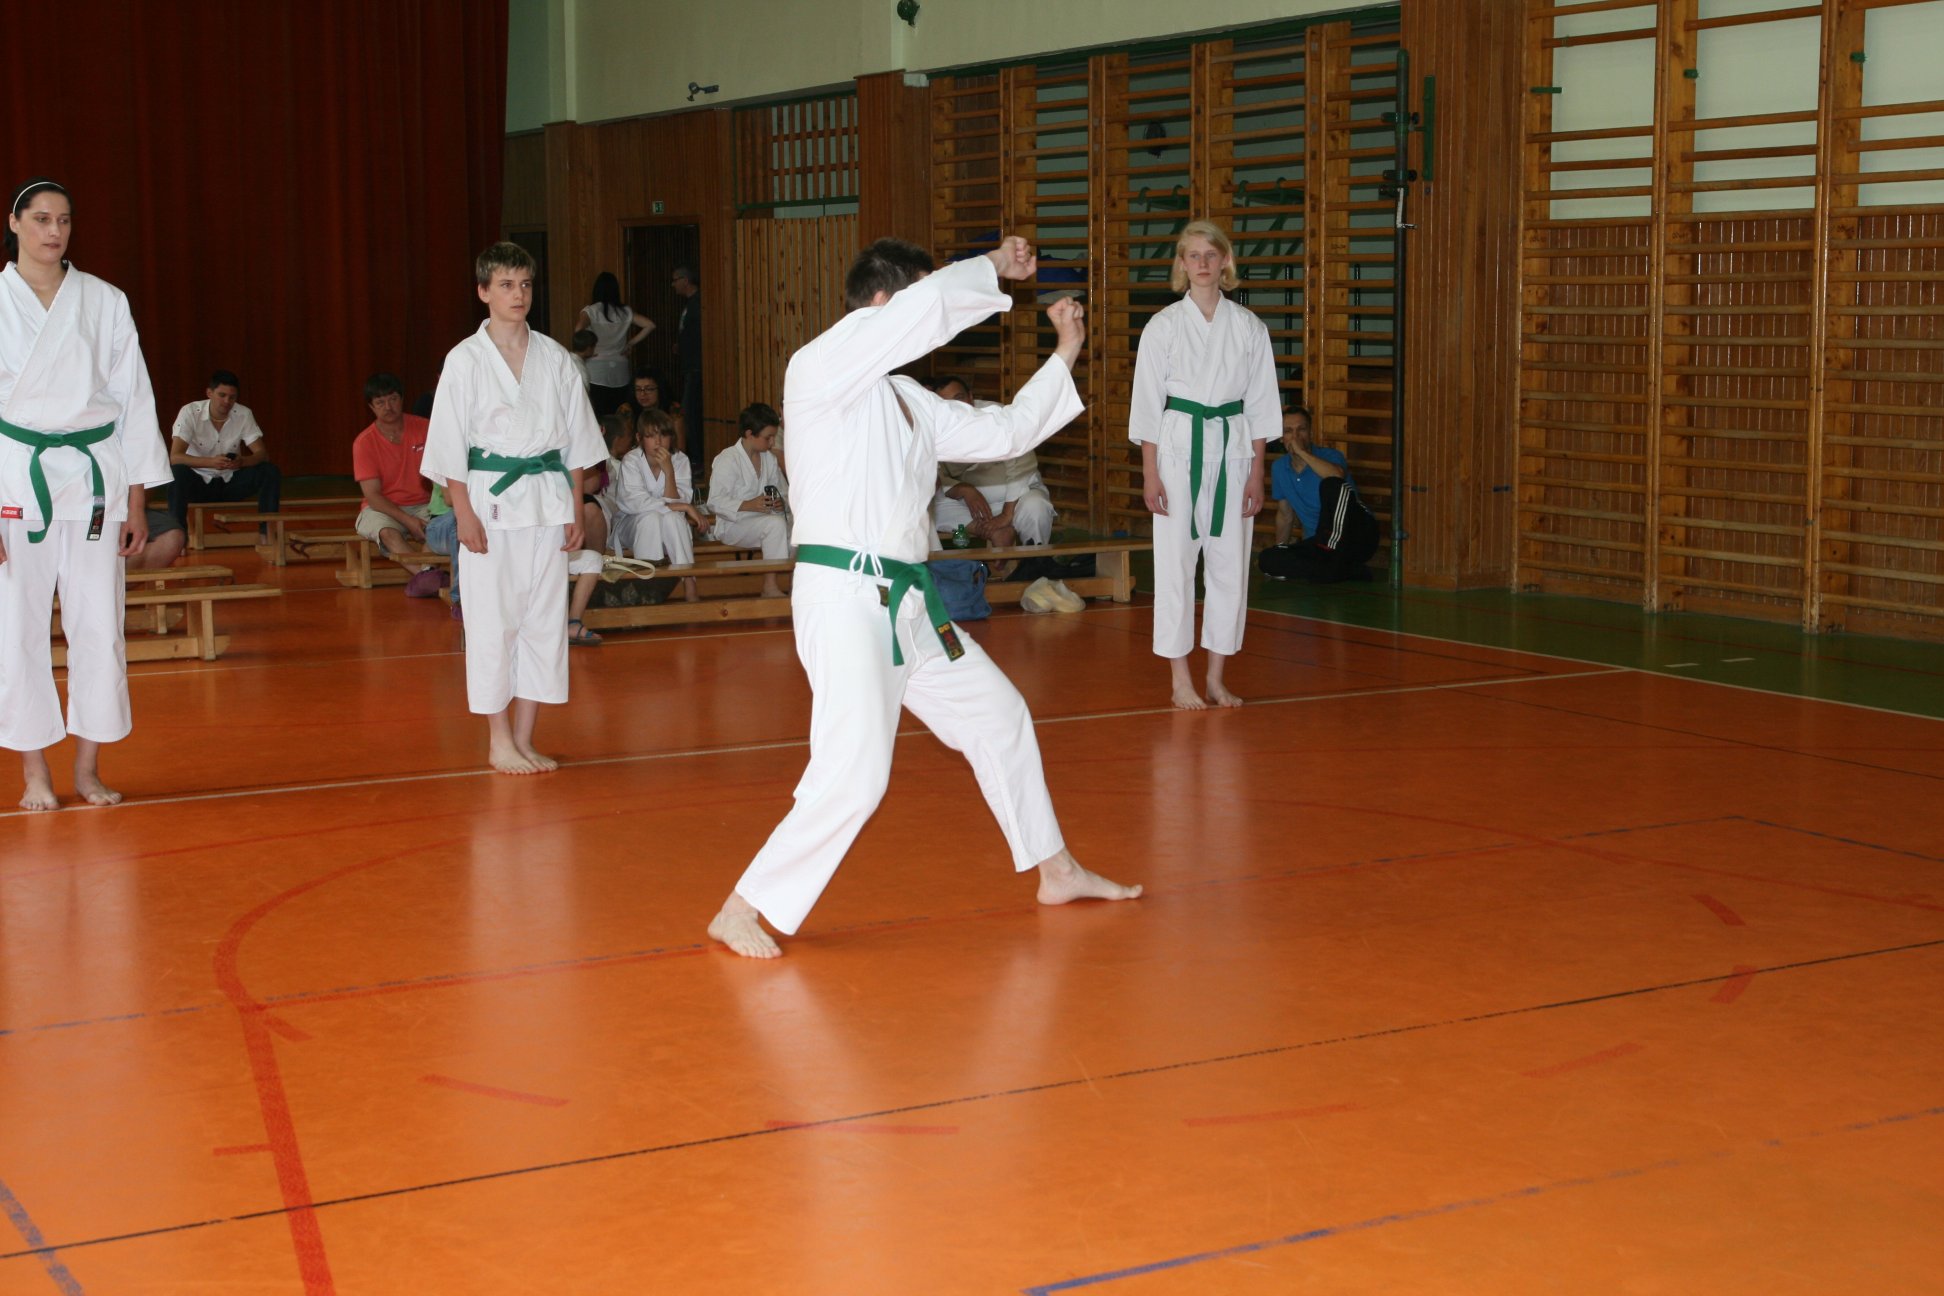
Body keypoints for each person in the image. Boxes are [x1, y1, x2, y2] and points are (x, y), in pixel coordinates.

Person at [705, 235, 1140, 960]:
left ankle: (1057, 870)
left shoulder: (907, 400)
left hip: (907, 600)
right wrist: (993, 267)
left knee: (999, 715)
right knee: (856, 772)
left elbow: (1005, 430)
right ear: (883, 305)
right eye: (915, 299)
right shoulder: (819, 367)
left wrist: (1065, 351)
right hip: (847, 594)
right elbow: (929, 309)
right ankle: (742, 906)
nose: (925, 320)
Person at [0, 178, 171, 810]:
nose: (54, 231)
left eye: (64, 220)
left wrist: (137, 501)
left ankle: (88, 767)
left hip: (97, 477)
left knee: (99, 624)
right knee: (17, 627)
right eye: (41, 219)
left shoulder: (104, 300)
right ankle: (34, 773)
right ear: (15, 223)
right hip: (16, 475)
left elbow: (134, 400)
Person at [424, 241, 604, 775]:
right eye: (505, 285)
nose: (518, 294)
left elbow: (576, 441)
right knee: (492, 621)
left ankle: (525, 739)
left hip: (548, 499)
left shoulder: (555, 357)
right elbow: (449, 445)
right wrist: (462, 512)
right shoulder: (464, 359)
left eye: (524, 284)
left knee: (543, 621)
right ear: (483, 292)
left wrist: (574, 508)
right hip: (490, 500)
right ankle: (498, 740)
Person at [1130, 219, 1280, 711]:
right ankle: (1180, 680)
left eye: (1210, 255)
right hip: (1177, 450)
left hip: (1233, 450)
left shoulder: (1249, 327)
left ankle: (1216, 677)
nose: (1201, 263)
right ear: (1181, 264)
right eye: (1192, 255)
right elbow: (1147, 404)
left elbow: (1261, 405)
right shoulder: (1163, 325)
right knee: (1175, 565)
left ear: (1225, 262)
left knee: (1229, 566)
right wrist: (1150, 472)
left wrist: (1257, 472)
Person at [928, 375, 1055, 550]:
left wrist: (1006, 514)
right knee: (930, 508)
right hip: (973, 505)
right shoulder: (934, 427)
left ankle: (1035, 559)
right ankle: (995, 532)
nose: (956, 407)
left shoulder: (997, 416)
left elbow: (1020, 466)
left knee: (1036, 507)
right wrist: (964, 489)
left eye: (959, 398)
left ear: (971, 397)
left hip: (1017, 499)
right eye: (947, 404)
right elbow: (934, 473)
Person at [351, 372, 445, 598]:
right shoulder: (364, 442)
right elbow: (373, 496)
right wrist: (408, 521)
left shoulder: (426, 428)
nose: (388, 407)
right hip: (382, 507)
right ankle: (427, 576)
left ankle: (426, 577)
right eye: (380, 402)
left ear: (402, 399)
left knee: (437, 527)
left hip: (426, 503)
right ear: (371, 407)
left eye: (393, 399)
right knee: (387, 532)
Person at [1262, 407, 1378, 583]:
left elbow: (1336, 476)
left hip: (1357, 535)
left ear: (1310, 433)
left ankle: (1331, 563)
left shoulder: (1330, 456)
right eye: (1288, 431)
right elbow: (1285, 515)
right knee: (1267, 559)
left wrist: (1302, 453)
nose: (1295, 437)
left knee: (1331, 484)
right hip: (1318, 545)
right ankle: (1344, 570)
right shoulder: (1279, 468)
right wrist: (1280, 549)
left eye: (1301, 429)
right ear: (1281, 437)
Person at [607, 406, 705, 604]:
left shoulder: (680, 460)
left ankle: (689, 581)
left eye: (663, 435)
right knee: (650, 518)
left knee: (672, 518)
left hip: (668, 526)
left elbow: (679, 502)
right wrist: (684, 507)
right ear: (639, 438)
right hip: (631, 524)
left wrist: (669, 472)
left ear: (671, 437)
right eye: (651, 436)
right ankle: (647, 587)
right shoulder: (631, 460)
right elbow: (636, 503)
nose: (658, 442)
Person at [166, 370, 281, 532]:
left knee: (269, 471)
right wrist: (210, 463)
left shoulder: (243, 414)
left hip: (230, 482)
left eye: (232, 397)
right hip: (198, 483)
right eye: (222, 395)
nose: (227, 401)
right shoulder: (190, 412)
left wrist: (242, 462)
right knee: (176, 473)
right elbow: (175, 457)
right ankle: (178, 534)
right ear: (209, 393)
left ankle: (266, 533)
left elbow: (262, 454)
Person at [707, 402, 789, 599]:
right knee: (775, 524)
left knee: (797, 530)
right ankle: (769, 585)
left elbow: (784, 493)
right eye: (768, 437)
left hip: (762, 521)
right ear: (750, 433)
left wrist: (781, 502)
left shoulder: (769, 459)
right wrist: (748, 504)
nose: (772, 443)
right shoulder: (728, 459)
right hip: (732, 525)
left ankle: (797, 586)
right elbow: (714, 501)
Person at [577, 271, 653, 419]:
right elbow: (650, 325)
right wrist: (630, 343)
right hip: (620, 370)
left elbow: (578, 329)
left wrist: (588, 349)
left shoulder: (591, 311)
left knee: (598, 417)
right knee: (619, 417)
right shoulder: (625, 312)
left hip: (596, 370)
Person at [671, 265, 702, 453]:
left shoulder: (698, 303)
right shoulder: (689, 303)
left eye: (675, 280)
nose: (673, 284)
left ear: (686, 280)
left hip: (696, 366)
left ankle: (696, 456)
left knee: (690, 412)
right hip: (689, 365)